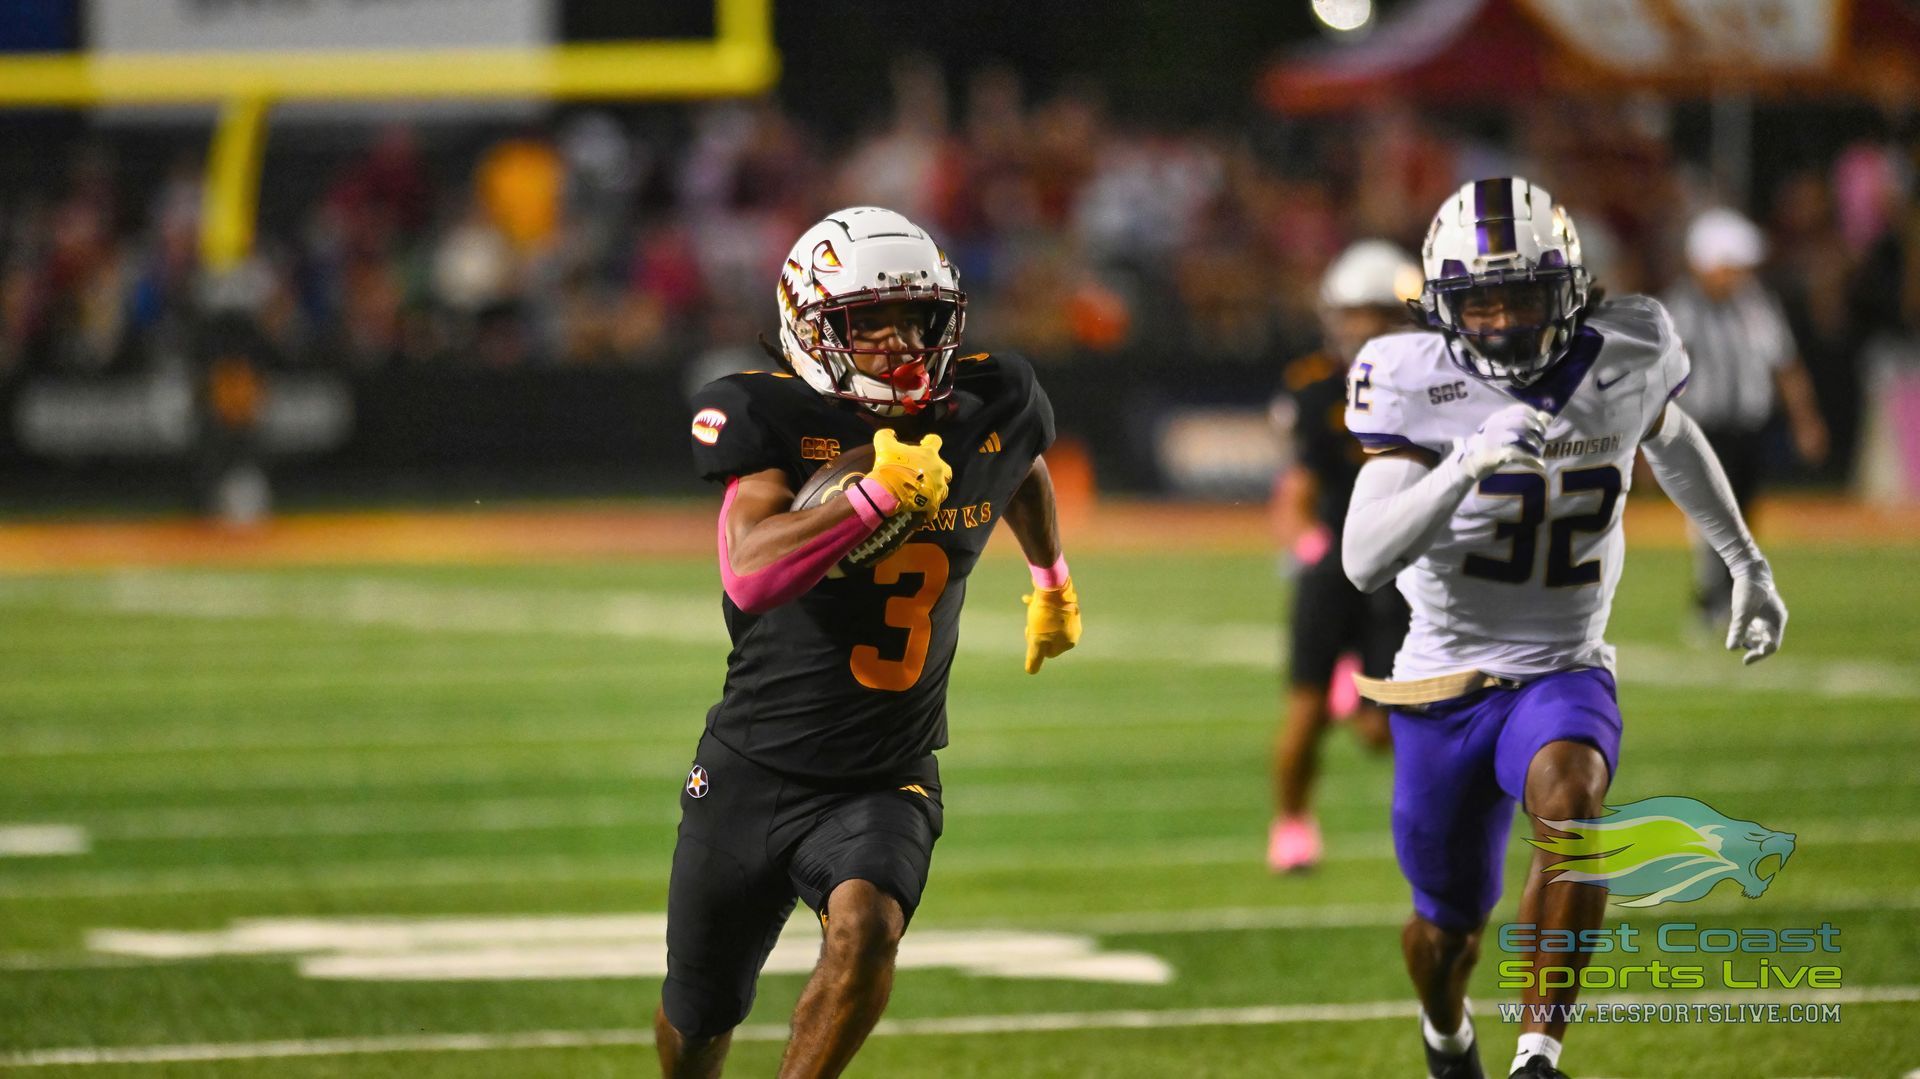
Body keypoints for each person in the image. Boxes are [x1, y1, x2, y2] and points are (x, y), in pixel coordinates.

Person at [1340, 178, 1789, 1079]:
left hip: (1561, 667)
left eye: (1524, 295)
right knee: (1445, 929)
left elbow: (1669, 432)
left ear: (1570, 288)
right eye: (1482, 300)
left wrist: (1746, 561)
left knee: (1574, 804)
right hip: (1444, 685)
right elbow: (1363, 558)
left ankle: (1538, 1058)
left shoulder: (1630, 345)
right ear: (1444, 307)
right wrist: (1463, 463)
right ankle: (1446, 1034)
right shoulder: (1409, 378)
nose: (1503, 322)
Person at [658, 206, 1080, 1079]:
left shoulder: (990, 400)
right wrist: (872, 501)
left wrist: (1052, 579)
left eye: (915, 318)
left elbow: (1021, 463)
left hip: (886, 769)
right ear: (813, 326)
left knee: (866, 929)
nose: (898, 343)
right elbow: (750, 572)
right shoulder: (769, 413)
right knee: (698, 1015)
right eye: (868, 322)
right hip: (753, 763)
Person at [1267, 240, 1421, 872]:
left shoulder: (1433, 385)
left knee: (1384, 731)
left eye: (1377, 315)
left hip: (1399, 560)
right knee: (1304, 710)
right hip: (1336, 559)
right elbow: (1298, 485)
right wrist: (1307, 546)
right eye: (1355, 314)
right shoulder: (1316, 385)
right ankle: (1291, 824)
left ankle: (1355, 688)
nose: (1363, 329)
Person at [1661, 207, 1828, 630]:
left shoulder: (1755, 304)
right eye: (1730, 265)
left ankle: (1729, 593)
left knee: (1744, 512)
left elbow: (1784, 363)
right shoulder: (1682, 308)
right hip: (1704, 428)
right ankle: (1711, 596)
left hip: (1750, 426)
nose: (1737, 274)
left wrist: (1805, 419)